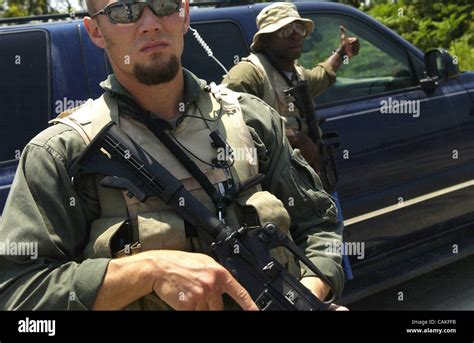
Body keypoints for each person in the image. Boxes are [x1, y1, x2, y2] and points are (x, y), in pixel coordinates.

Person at [0, 0, 345, 310]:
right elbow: (16, 291)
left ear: (184, 15)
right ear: (96, 31)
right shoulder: (62, 153)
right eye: (125, 11)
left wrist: (305, 297)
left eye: (164, 5)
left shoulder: (251, 119)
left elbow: (318, 225)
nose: (150, 22)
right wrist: (146, 272)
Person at [223, 2, 360, 173]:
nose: (295, 35)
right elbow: (227, 124)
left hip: (314, 179)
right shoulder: (249, 74)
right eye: (286, 30)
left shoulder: (296, 73)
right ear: (265, 40)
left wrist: (342, 53)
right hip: (276, 186)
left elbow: (321, 76)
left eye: (299, 29)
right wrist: (295, 138)